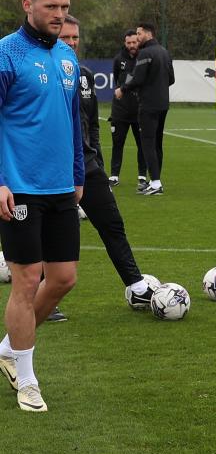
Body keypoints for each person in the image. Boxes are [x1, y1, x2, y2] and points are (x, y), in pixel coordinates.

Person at [0, 0, 84, 412]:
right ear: (27, 5)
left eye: (64, 7)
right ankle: (27, 380)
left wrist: (78, 174)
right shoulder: (6, 53)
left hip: (61, 187)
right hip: (19, 188)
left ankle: (8, 348)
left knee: (64, 278)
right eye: (51, 6)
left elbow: (73, 122)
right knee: (27, 279)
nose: (59, 15)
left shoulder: (68, 57)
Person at [58, 16, 154, 311]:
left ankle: (137, 286)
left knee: (112, 223)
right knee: (57, 235)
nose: (71, 43)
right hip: (53, 169)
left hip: (87, 165)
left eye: (75, 37)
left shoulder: (84, 75)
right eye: (65, 38)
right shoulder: (39, 75)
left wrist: (97, 160)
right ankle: (44, 299)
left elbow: (91, 123)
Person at [116, 21, 173, 195]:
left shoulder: (145, 53)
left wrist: (122, 89)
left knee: (147, 142)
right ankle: (156, 180)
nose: (137, 36)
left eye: (139, 33)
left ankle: (155, 184)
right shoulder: (164, 52)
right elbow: (171, 79)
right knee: (157, 143)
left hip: (148, 105)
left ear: (148, 34)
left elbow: (138, 79)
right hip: (163, 104)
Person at [108, 29, 144, 189]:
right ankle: (114, 175)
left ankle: (142, 176)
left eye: (134, 42)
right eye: (129, 43)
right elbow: (117, 78)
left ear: (138, 42)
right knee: (117, 143)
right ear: (125, 43)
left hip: (139, 110)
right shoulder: (118, 59)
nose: (132, 45)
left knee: (142, 145)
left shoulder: (144, 58)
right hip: (120, 110)